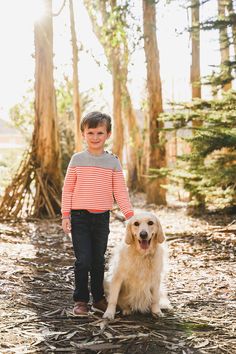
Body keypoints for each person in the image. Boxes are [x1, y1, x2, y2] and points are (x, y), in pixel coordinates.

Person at [61, 111, 134, 317]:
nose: (95, 137)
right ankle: (81, 300)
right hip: (79, 217)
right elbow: (68, 189)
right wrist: (66, 214)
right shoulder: (77, 159)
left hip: (101, 217)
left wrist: (130, 215)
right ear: (83, 134)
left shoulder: (113, 162)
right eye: (90, 132)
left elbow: (120, 190)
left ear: (108, 134)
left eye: (100, 133)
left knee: (98, 260)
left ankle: (99, 299)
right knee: (83, 260)